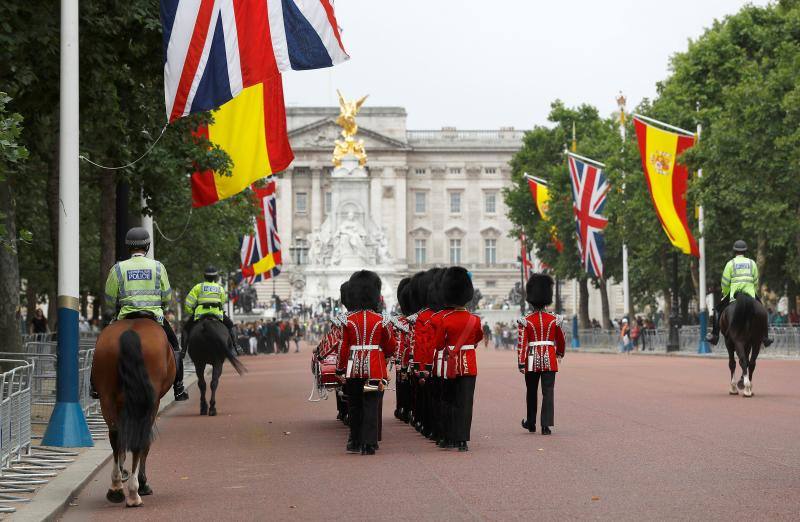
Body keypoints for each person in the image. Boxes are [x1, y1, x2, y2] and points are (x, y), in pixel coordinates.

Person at [98, 227, 188, 401]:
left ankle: (95, 386)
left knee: (101, 345)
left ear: (128, 247)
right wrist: (162, 305)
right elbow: (167, 296)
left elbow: (109, 298)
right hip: (153, 317)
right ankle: (178, 387)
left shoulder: (118, 268)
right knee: (175, 348)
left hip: (125, 316)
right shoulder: (158, 267)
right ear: (146, 247)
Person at [336, 270, 396, 455]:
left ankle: (354, 441)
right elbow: (391, 346)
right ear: (375, 295)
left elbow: (344, 348)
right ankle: (369, 443)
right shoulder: (382, 321)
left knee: (354, 405)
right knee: (371, 404)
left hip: (353, 369)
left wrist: (340, 370)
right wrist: (386, 353)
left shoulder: (348, 321)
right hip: (375, 370)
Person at [431, 267, 483, 451]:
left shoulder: (445, 319)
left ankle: (448, 437)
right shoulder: (474, 320)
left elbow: (437, 345)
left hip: (449, 366)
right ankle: (462, 440)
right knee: (465, 403)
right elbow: (478, 338)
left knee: (448, 402)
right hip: (469, 365)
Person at [517, 273, 565, 435]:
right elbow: (561, 339)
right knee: (548, 392)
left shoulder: (526, 320)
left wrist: (521, 362)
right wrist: (559, 353)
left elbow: (522, 342)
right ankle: (546, 425)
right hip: (550, 359)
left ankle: (531, 423)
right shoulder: (554, 319)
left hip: (531, 358)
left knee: (531, 391)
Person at [706, 240, 772, 346]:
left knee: (717, 310)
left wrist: (726, 293)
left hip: (734, 295)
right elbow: (755, 281)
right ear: (745, 251)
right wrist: (752, 289)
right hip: (750, 294)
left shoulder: (730, 264)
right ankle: (765, 337)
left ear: (734, 251)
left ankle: (715, 336)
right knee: (763, 311)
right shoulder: (752, 263)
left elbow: (725, 282)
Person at [182, 266, 238, 354]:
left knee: (186, 328)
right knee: (230, 325)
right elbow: (222, 302)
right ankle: (236, 346)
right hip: (217, 313)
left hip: (200, 313)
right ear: (216, 277)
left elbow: (188, 302)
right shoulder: (220, 288)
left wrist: (190, 311)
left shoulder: (198, 287)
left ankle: (183, 350)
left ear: (204, 276)